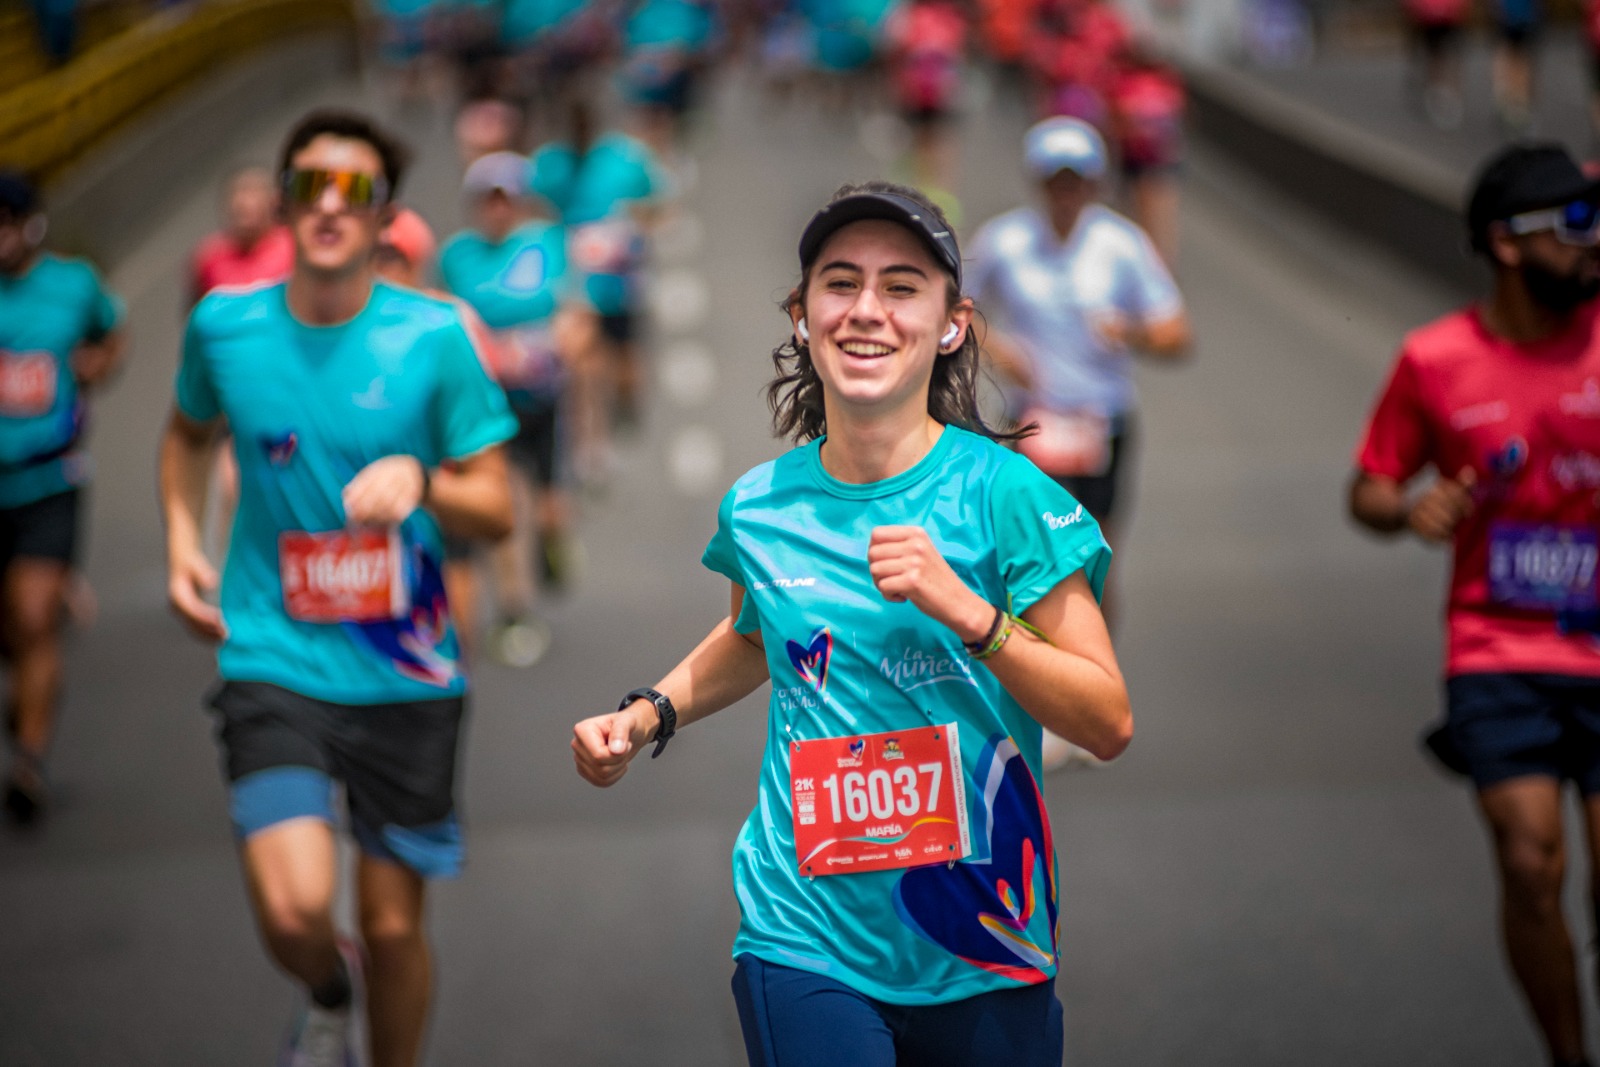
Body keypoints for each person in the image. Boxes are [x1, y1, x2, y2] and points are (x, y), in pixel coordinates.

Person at [572, 181, 1132, 1066]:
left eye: (902, 286)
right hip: (803, 931)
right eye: (841, 283)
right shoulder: (758, 507)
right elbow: (759, 637)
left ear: (952, 323)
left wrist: (972, 614)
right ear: (802, 315)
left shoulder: (1006, 494)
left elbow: (1106, 719)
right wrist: (648, 712)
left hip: (987, 937)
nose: (866, 310)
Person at [159, 109, 516, 1067]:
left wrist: (424, 482)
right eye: (309, 183)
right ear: (281, 201)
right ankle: (326, 986)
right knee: (294, 904)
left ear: (384, 216)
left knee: (397, 927)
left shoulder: (434, 336)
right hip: (272, 651)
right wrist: (184, 538)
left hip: (405, 670)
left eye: (352, 189)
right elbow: (187, 431)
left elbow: (497, 505)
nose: (328, 204)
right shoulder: (225, 325)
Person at [1349, 142, 1600, 1067]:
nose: (1593, 242)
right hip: (1498, 648)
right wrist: (1410, 509)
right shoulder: (1437, 359)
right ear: (1506, 242)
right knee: (1531, 862)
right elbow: (1369, 488)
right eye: (1574, 225)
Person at [969, 117, 1187, 769]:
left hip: (1101, 423)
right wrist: (1000, 348)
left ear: (1095, 182)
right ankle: (1037, 698)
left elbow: (1177, 331)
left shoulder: (1120, 246)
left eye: (1078, 180)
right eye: (1055, 180)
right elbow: (956, 306)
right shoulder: (1005, 241)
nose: (1066, 192)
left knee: (1094, 561)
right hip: (1032, 422)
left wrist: (1132, 332)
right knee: (1032, 564)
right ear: (1039, 182)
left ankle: (1088, 688)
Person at [439, 150, 598, 666]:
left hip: (543, 398)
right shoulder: (456, 256)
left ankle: (552, 544)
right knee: (507, 506)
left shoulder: (547, 245)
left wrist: (557, 347)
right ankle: (514, 609)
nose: (496, 209)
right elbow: (445, 324)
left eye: (505, 198)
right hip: (488, 404)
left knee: (549, 507)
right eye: (487, 199)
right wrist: (486, 355)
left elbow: (578, 313)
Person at [0, 170, 125, 824]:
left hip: (49, 478)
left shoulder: (72, 284)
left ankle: (30, 758)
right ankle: (29, 688)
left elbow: (113, 329)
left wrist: (99, 365)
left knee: (34, 611)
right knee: (12, 630)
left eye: (6, 220)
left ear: (30, 223)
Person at [374, 205, 507, 662]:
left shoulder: (449, 318)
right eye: (377, 256)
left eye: (395, 257)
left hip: (444, 476)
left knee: (456, 567)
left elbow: (482, 389)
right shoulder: (346, 323)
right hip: (370, 487)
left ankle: (453, 667)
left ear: (418, 260)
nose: (384, 267)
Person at [187, 165, 294, 307]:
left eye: (254, 192)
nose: (245, 202)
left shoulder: (293, 243)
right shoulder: (208, 258)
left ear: (273, 200)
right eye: (239, 193)